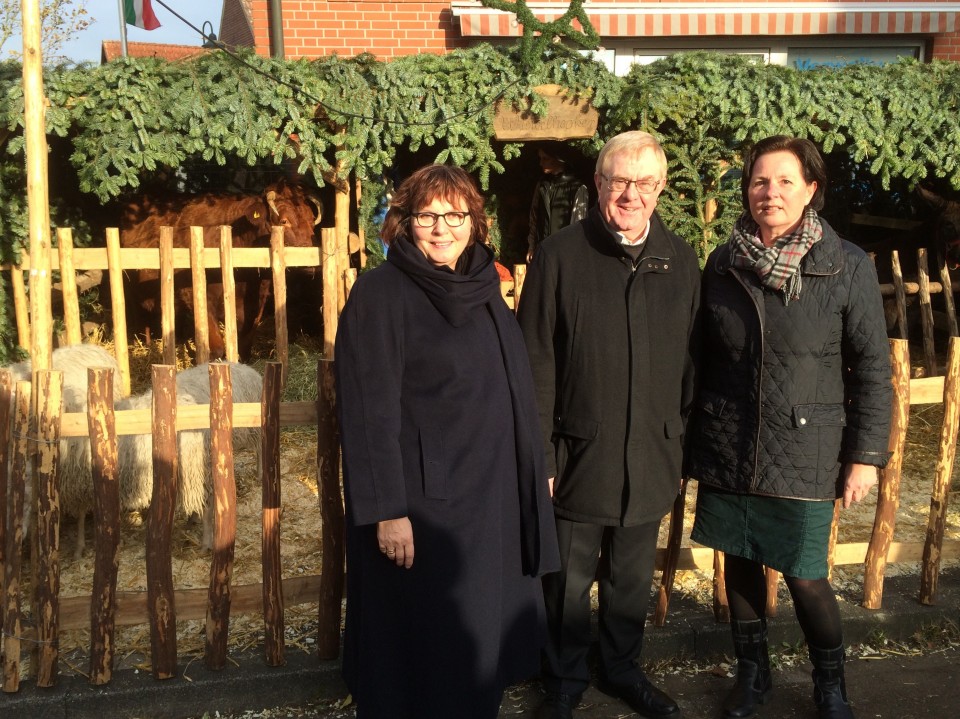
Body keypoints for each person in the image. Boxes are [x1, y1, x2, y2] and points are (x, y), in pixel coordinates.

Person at [335, 164, 560, 719]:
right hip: (424, 503)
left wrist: (536, 465)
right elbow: (368, 409)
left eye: (455, 215)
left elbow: (514, 384)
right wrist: (387, 509)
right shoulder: (381, 294)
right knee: (420, 642)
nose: (442, 228)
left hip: (491, 497)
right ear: (403, 223)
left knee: (478, 630)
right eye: (427, 216)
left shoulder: (485, 284)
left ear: (473, 221)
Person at [686, 135, 892, 719]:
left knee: (805, 575)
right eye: (758, 181)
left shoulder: (845, 263)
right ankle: (753, 677)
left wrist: (865, 455)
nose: (768, 192)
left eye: (783, 181)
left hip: (806, 445)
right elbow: (702, 357)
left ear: (810, 190)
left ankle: (831, 687)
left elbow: (873, 368)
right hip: (730, 441)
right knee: (741, 562)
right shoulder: (723, 263)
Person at [518, 131, 701, 719]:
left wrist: (680, 449)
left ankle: (622, 668)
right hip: (579, 454)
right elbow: (536, 363)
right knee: (568, 584)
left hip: (652, 453)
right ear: (598, 183)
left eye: (644, 183)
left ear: (661, 189)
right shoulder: (560, 256)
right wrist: (541, 457)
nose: (631, 194)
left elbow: (693, 363)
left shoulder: (680, 258)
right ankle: (565, 677)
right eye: (619, 181)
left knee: (629, 582)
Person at [526, 142, 590, 261]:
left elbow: (578, 226)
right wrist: (532, 247)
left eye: (545, 158)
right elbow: (534, 218)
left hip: (564, 254)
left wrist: (572, 256)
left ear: (559, 159)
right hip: (542, 251)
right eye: (540, 158)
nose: (541, 163)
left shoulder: (577, 188)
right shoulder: (542, 185)